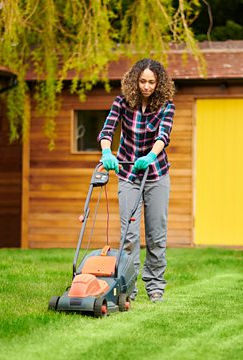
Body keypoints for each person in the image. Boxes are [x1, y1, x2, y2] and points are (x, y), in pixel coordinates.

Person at [97, 58, 175, 303]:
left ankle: (155, 287)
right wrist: (107, 152)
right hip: (129, 174)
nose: (146, 86)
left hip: (156, 175)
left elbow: (164, 134)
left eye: (152, 82)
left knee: (156, 234)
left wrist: (151, 155)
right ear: (134, 81)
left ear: (158, 83)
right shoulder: (122, 102)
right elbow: (107, 130)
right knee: (129, 235)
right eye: (142, 81)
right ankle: (128, 286)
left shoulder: (166, 105)